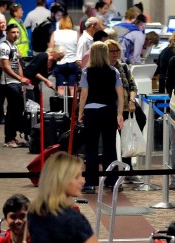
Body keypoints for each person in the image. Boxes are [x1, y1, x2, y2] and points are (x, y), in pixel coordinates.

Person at [78, 41, 125, 194]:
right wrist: (119, 113)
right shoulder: (114, 72)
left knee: (90, 147)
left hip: (91, 112)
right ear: (105, 54)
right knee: (110, 146)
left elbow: (84, 94)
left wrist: (80, 112)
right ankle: (111, 181)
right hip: (109, 111)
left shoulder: (86, 72)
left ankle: (90, 183)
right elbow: (120, 95)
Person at [0, 23, 31, 149]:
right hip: (8, 84)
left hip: (16, 83)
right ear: (7, 33)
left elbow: (18, 64)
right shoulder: (3, 47)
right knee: (11, 112)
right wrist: (19, 78)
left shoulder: (14, 47)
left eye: (17, 32)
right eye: (13, 32)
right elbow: (5, 67)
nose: (16, 34)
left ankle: (13, 137)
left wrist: (21, 80)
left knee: (17, 111)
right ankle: (9, 139)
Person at [106, 39, 145, 131]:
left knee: (141, 120)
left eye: (117, 50)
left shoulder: (123, 67)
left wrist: (132, 100)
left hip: (127, 103)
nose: (115, 53)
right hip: (112, 107)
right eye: (112, 51)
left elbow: (133, 86)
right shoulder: (103, 69)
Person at [49, 15, 80, 96]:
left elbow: (51, 49)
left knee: (60, 87)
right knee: (72, 87)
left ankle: (61, 106)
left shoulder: (55, 33)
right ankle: (73, 107)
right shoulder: (75, 33)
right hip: (73, 62)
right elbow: (79, 48)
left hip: (60, 63)